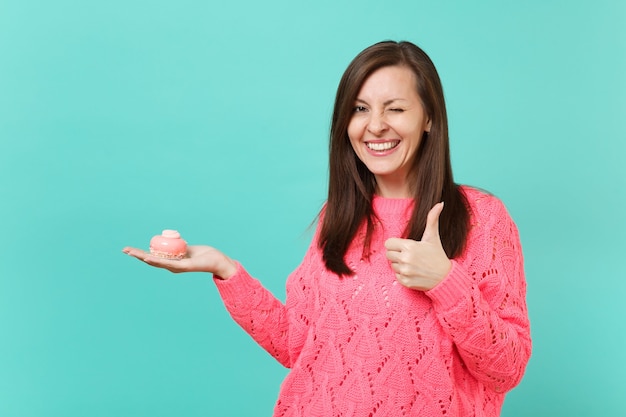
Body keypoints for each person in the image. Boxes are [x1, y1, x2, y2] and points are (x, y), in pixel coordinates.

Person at [123, 40, 531, 416]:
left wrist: (445, 281)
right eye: (359, 108)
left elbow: (506, 368)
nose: (375, 126)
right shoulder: (337, 216)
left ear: (428, 117)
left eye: (395, 108)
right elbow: (296, 344)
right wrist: (225, 270)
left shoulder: (483, 218)